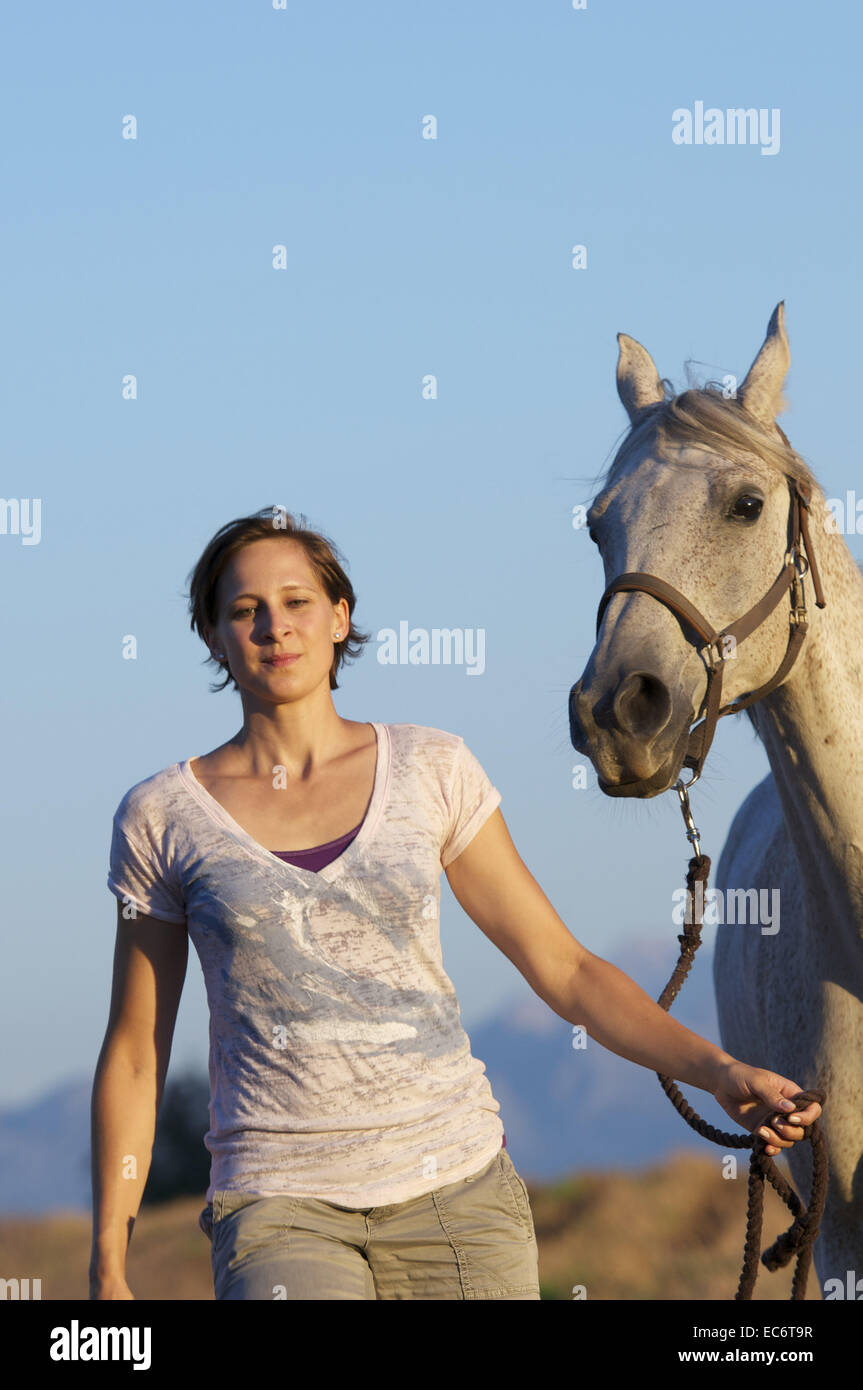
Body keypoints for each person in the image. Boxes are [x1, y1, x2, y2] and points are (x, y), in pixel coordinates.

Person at [89, 506, 823, 1302]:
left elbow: (564, 967)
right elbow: (135, 1050)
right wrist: (107, 1258)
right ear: (213, 638)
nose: (275, 626)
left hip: (459, 1196)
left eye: (298, 601)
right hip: (279, 1205)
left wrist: (717, 1070)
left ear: (340, 618)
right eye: (245, 609)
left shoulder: (431, 768)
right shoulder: (161, 815)